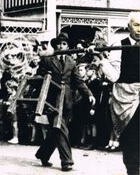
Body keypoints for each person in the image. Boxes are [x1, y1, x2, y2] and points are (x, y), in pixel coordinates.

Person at [35, 32, 95, 172]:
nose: (61, 46)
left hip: (67, 100)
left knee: (55, 130)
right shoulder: (48, 60)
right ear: (55, 46)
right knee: (60, 128)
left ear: (68, 46)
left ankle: (43, 154)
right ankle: (66, 161)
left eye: (64, 44)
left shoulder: (71, 61)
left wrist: (89, 94)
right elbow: (39, 76)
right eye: (58, 44)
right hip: (51, 99)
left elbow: (78, 81)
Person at [97, 11, 140, 175]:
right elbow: (114, 77)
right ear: (129, 26)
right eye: (136, 25)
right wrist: (101, 60)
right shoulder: (119, 46)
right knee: (131, 140)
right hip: (126, 99)